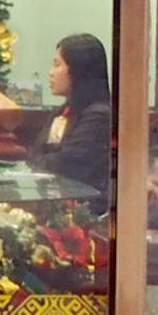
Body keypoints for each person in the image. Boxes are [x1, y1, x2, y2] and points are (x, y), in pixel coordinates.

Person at [34, 33, 112, 204]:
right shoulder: (61, 112)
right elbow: (36, 156)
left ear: (78, 69)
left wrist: (43, 161)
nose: (51, 73)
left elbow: (68, 164)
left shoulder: (99, 116)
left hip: (87, 206)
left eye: (57, 65)